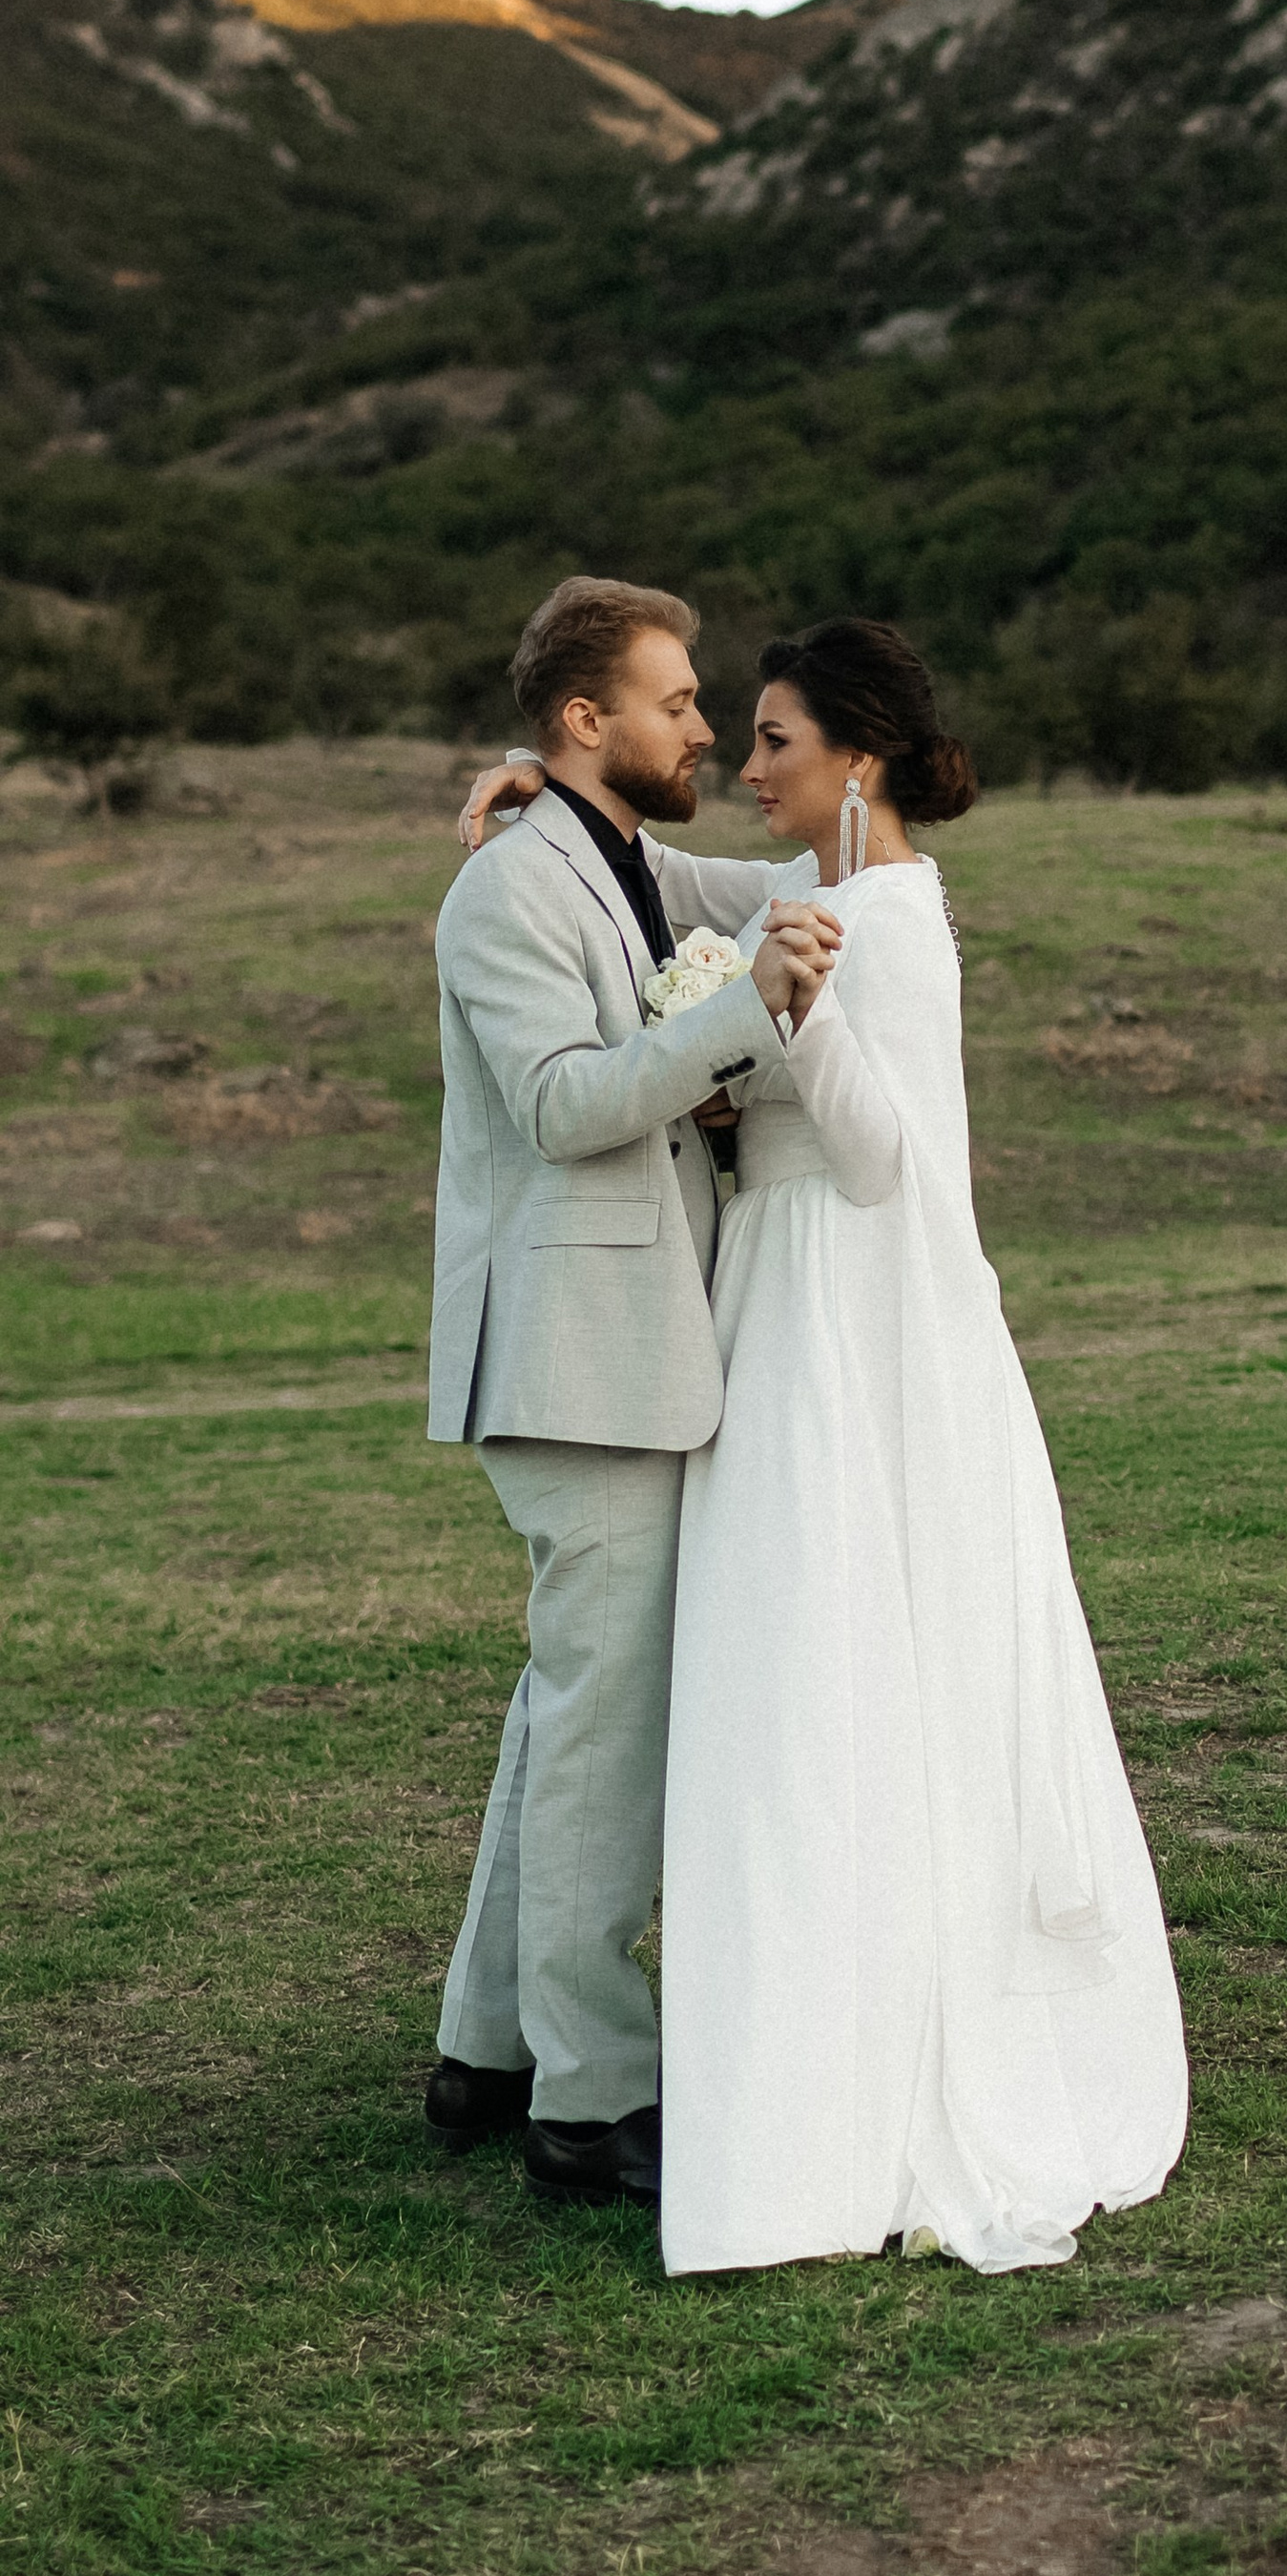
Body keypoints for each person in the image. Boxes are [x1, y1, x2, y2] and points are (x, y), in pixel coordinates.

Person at [452, 616, 1189, 2273]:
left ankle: (742, 2062)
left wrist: (791, 1027)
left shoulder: (886, 929)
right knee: (715, 1674)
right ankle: (569, 2045)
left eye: (769, 734)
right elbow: (680, 905)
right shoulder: (794, 899)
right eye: (713, 718)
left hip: (830, 1312)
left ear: (853, 752)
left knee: (781, 1670)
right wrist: (546, 809)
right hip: (753, 1319)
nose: (736, 754)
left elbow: (878, 1162)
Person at [425, 576, 837, 2208]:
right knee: (608, 1728)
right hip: (574, 1358)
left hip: (628, 1347)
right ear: (586, 718)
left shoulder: (629, 858)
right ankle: (590, 2106)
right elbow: (565, 1105)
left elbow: (821, 875)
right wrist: (747, 1018)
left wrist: (859, 790)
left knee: (566, 1711)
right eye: (676, 702)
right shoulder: (504, 896)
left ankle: (487, 2050)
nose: (705, 729)